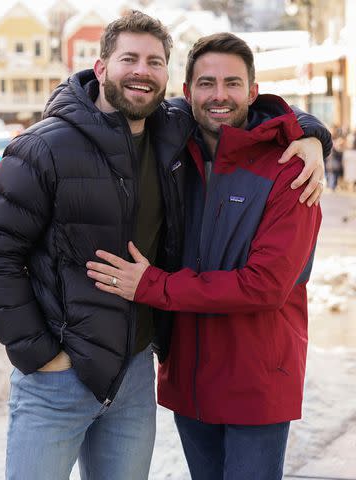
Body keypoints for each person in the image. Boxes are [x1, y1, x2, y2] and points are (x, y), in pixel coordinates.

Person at [0, 11, 329, 480]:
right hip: (60, 377)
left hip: (143, 376)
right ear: (102, 67)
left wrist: (311, 134)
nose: (142, 71)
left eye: (155, 61)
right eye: (130, 58)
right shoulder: (50, 147)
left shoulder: (178, 137)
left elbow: (248, 115)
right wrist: (38, 353)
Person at [87, 32, 323, 480]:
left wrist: (152, 285)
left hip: (256, 382)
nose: (219, 96)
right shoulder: (173, 154)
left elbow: (265, 286)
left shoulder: (292, 169)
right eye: (206, 83)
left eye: (233, 84)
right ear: (186, 92)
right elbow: (110, 97)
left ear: (254, 92)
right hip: (190, 378)